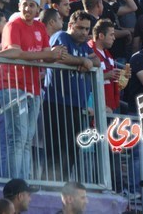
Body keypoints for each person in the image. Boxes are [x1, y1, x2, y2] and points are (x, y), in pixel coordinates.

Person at [0, 0, 65, 179]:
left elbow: (47, 56)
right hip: (12, 86)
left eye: (32, 5)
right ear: (19, 6)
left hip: (33, 88)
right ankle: (12, 183)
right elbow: (16, 53)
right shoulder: (13, 25)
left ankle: (23, 181)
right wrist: (48, 55)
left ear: (37, 9)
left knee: (27, 139)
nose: (27, 8)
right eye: (24, 4)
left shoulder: (40, 27)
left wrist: (58, 55)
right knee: (17, 139)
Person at [44, 11, 101, 179]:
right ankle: (51, 183)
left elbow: (96, 60)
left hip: (76, 105)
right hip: (57, 102)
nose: (84, 33)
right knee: (56, 149)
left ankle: (64, 186)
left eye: (87, 29)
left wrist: (88, 61)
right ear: (70, 25)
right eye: (80, 28)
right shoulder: (61, 36)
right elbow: (59, 56)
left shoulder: (83, 45)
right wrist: (82, 61)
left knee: (71, 150)